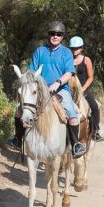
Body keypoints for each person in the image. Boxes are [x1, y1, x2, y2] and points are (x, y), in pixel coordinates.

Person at [29, 21, 86, 157]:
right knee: (20, 109)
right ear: (48, 35)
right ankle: (17, 139)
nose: (55, 36)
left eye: (58, 34)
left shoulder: (66, 52)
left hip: (60, 89)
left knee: (73, 116)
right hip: (40, 89)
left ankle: (75, 145)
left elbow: (69, 72)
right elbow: (32, 71)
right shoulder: (40, 51)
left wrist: (57, 83)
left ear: (62, 37)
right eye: (52, 34)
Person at [69, 36, 104, 142]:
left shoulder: (86, 60)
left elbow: (91, 77)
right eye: (73, 48)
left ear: (81, 48)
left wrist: (83, 89)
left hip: (83, 90)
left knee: (94, 106)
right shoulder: (68, 59)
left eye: (77, 48)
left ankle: (96, 131)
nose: (74, 50)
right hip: (69, 89)